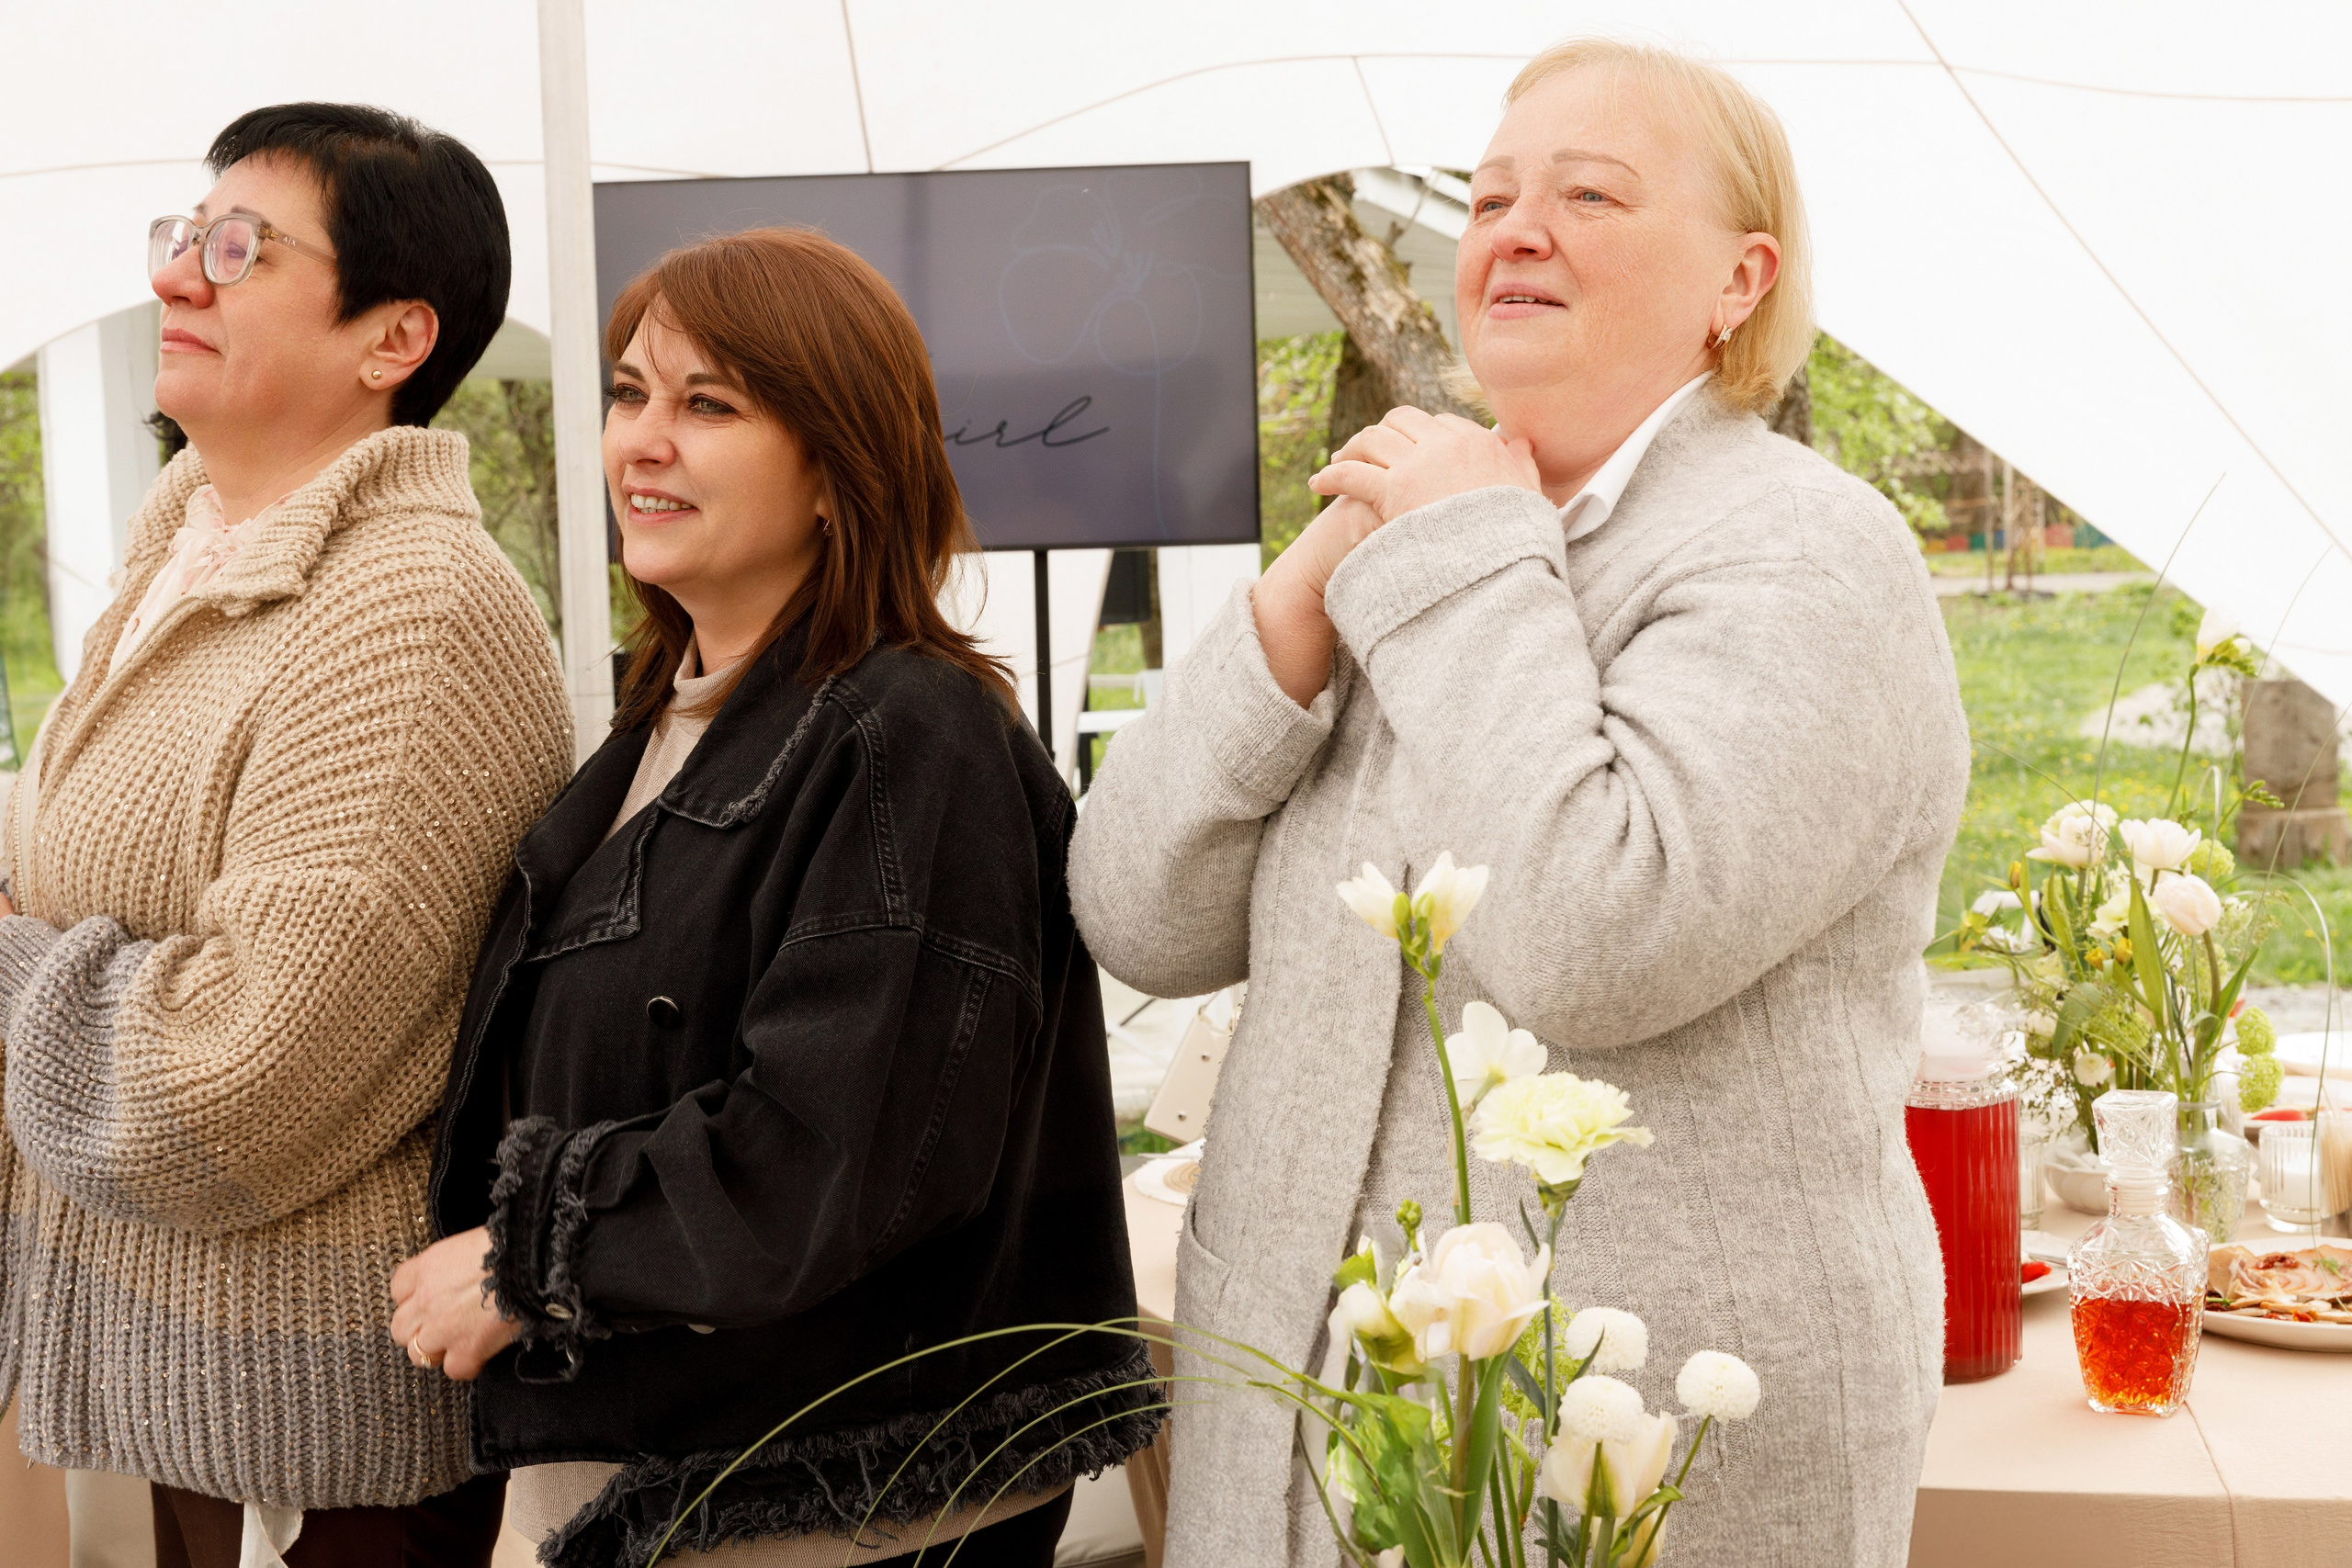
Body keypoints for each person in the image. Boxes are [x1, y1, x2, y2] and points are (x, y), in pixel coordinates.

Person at [1069, 38, 1973, 1568]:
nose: (1513, 229)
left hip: (1627, 1459)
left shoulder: (1811, 559)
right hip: (1305, 1441)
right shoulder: (1422, 544)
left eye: (1589, 193)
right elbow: (1134, 915)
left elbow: (1595, 937)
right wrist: (1297, 610)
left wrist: (1447, 554)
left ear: (1740, 280)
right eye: (1486, 199)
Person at [393, 227, 1159, 1568]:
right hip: (654, 1470)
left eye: (710, 404)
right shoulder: (664, 731)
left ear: (836, 466)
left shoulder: (908, 736)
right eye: (631, 393)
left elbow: (833, 1155)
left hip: (834, 1504)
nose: (642, 440)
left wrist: (535, 1256)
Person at [0, 104, 573, 1565]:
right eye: (184, 238)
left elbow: (235, 1077)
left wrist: (10, 970)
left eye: (239, 247)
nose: (181, 277)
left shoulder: (408, 611)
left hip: (325, 1439)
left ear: (393, 339)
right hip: (172, 1381)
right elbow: (79, 872)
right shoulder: (191, 536)